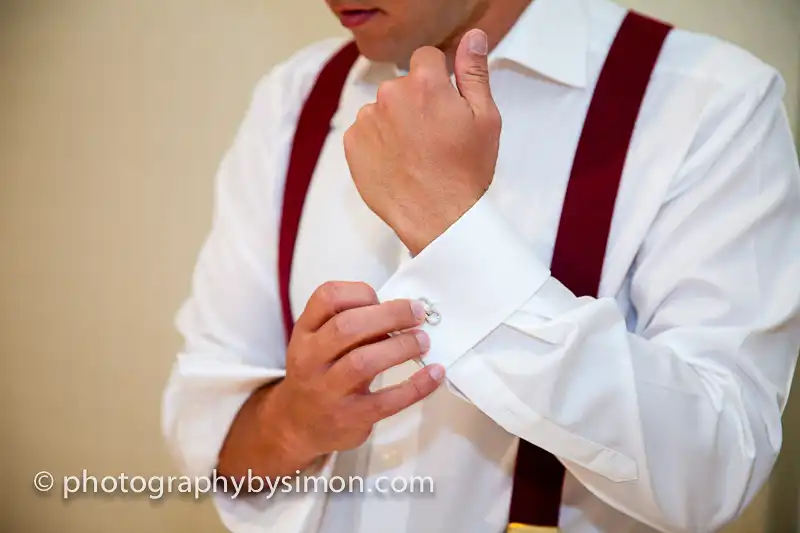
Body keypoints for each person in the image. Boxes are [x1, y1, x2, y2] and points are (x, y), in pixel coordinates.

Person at [160, 0, 800, 531]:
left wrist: (450, 233)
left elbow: (715, 473)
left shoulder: (712, 103)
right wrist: (291, 423)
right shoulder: (292, 99)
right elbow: (201, 426)